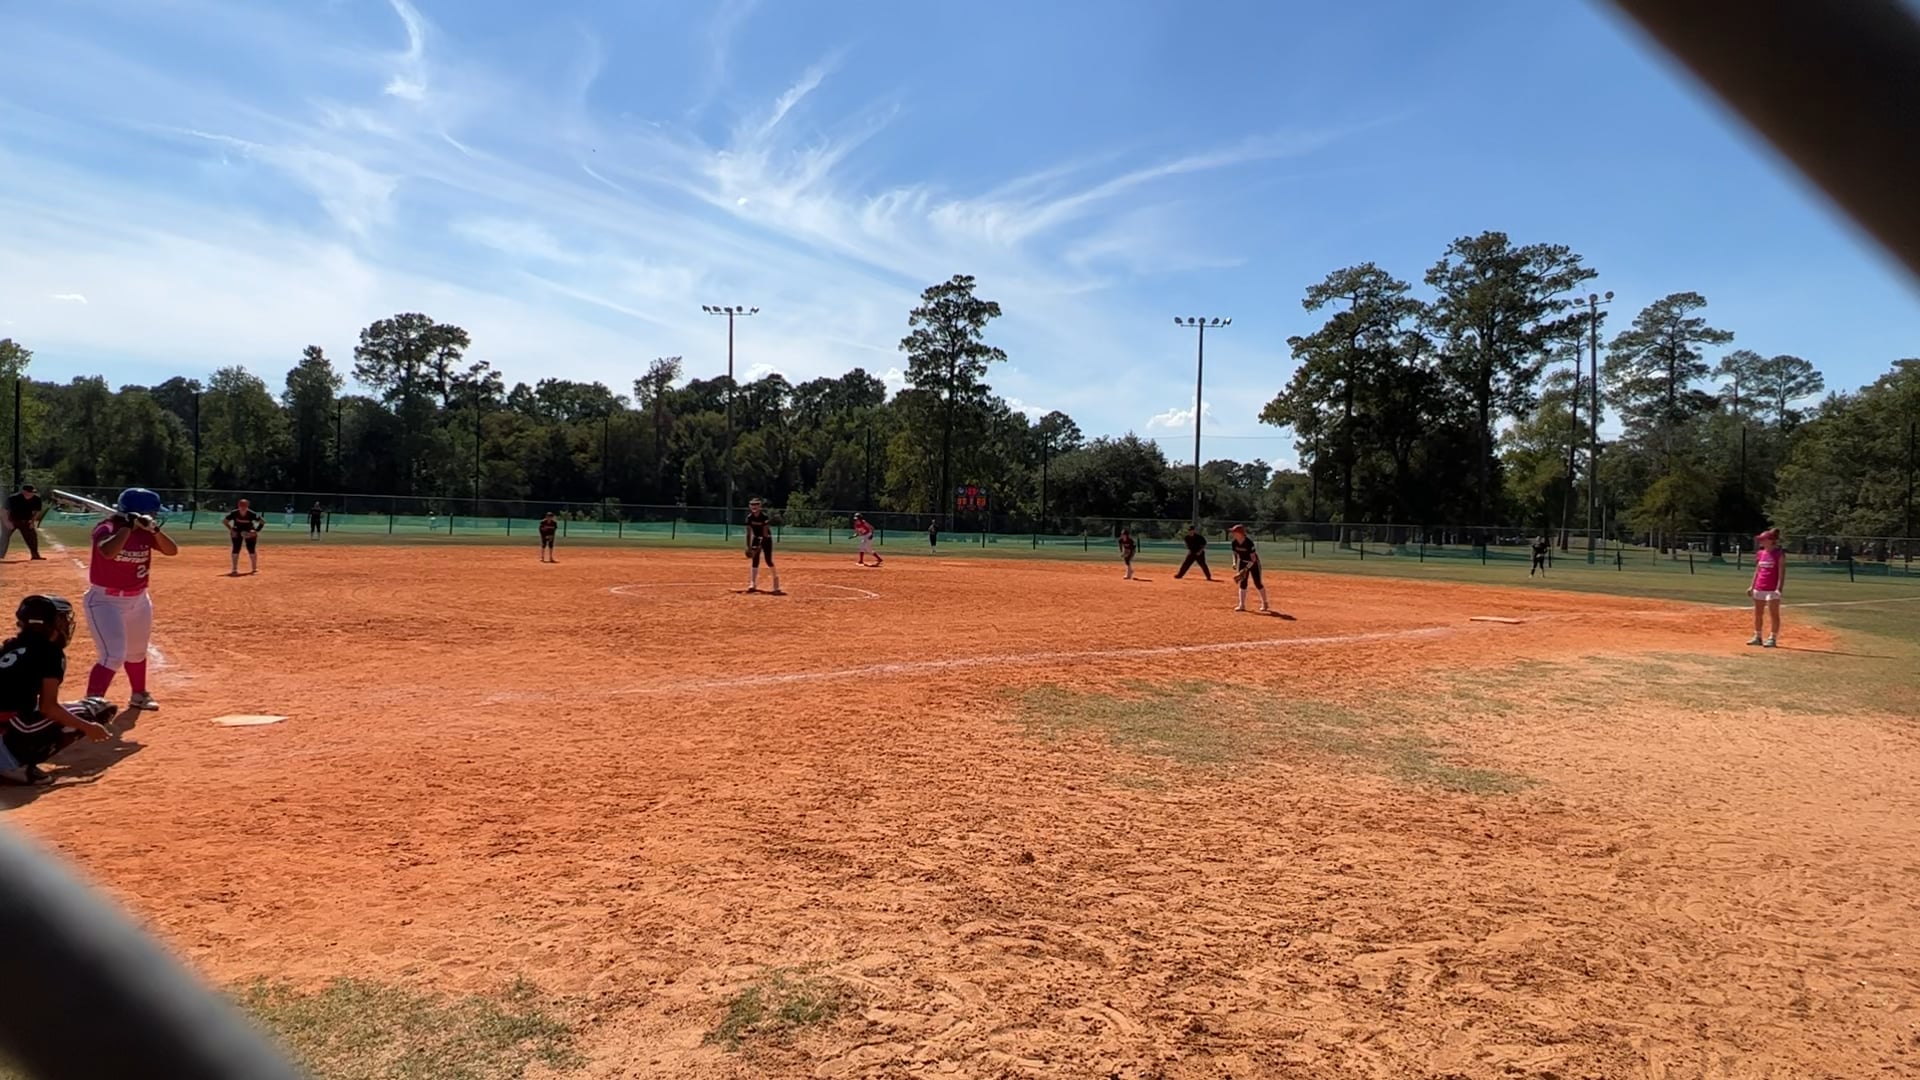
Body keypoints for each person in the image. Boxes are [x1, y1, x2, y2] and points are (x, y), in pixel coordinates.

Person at [0, 595, 118, 785]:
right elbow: (49, 708)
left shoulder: (9, 647)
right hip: (8, 731)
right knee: (95, 709)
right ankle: (12, 767)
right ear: (51, 624)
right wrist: (88, 727)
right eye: (61, 619)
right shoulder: (50, 653)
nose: (65, 624)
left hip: (8, 723)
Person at [83, 487, 178, 711]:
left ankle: (139, 694)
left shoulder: (146, 531)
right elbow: (108, 551)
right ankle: (91, 704)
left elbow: (171, 550)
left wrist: (154, 530)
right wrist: (127, 527)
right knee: (113, 655)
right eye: (152, 513)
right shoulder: (106, 528)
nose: (155, 516)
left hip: (139, 599)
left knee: (136, 653)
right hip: (105, 601)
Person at [1748, 527, 1786, 648]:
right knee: (1758, 613)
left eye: (1763, 539)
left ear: (1770, 540)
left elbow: (1781, 573)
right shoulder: (1760, 553)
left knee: (1773, 614)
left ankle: (1772, 638)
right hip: (1759, 587)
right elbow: (1757, 571)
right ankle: (1757, 636)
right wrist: (1752, 586)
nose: (1761, 541)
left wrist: (1779, 588)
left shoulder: (1778, 554)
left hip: (1772, 589)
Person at [744, 497, 783, 595]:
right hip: (756, 538)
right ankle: (753, 583)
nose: (754, 506)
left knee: (768, 560)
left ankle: (776, 581)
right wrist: (749, 547)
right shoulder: (749, 518)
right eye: (752, 504)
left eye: (756, 504)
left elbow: (765, 533)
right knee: (755, 559)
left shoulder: (764, 517)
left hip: (766, 538)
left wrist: (759, 547)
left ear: (760, 506)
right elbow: (748, 533)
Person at [1229, 524, 1272, 613]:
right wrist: (1234, 562)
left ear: (1240, 533)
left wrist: (1245, 569)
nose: (1232, 534)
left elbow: (1253, 559)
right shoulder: (1234, 543)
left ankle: (1265, 603)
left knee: (1257, 583)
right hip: (1242, 562)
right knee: (1243, 583)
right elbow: (1235, 554)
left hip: (1254, 563)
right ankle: (1242, 605)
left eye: (1234, 532)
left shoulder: (1249, 543)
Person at [1, 483, 47, 561]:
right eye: (29, 492)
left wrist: (32, 521)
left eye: (32, 492)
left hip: (25, 520)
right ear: (24, 491)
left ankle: (35, 555)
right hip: (10, 519)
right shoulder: (13, 498)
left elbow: (37, 511)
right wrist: (7, 522)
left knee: (32, 537)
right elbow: (3, 511)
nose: (31, 494)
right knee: (4, 537)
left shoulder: (36, 499)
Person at [224, 498, 266, 575]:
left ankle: (254, 569)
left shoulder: (252, 513)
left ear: (247, 506)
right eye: (241, 506)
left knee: (251, 549)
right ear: (238, 506)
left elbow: (262, 522)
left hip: (249, 532)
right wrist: (231, 529)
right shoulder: (234, 513)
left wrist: (255, 531)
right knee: (236, 548)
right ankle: (234, 569)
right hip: (237, 530)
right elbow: (225, 521)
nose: (243, 508)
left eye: (245, 506)